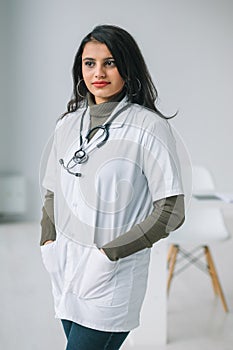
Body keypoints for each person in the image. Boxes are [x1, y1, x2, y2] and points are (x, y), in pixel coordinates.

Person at [40, 24, 185, 350]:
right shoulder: (67, 124)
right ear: (80, 68)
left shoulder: (149, 126)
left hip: (112, 277)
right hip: (64, 268)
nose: (98, 72)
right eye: (90, 63)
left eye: (110, 62)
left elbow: (172, 211)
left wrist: (109, 254)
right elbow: (52, 189)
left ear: (127, 67)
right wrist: (46, 240)